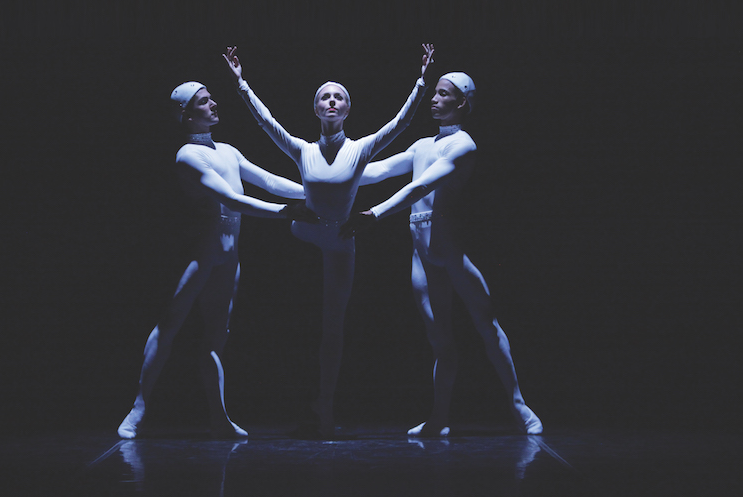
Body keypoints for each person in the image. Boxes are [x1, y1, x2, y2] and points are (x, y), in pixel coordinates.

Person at [223, 44, 434, 437]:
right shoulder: (302, 149)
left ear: (347, 109)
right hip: (303, 239)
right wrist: (241, 84)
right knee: (301, 322)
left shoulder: (361, 148)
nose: (332, 101)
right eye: (325, 97)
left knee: (333, 327)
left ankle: (326, 405)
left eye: (339, 97)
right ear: (317, 109)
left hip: (340, 242)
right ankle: (290, 402)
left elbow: (400, 124)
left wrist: (421, 83)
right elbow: (267, 124)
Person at [341, 72, 543, 436]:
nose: (434, 99)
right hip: (421, 254)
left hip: (450, 251)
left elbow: (422, 183)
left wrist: (376, 213)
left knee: (486, 325)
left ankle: (518, 404)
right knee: (440, 342)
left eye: (442, 94)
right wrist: (330, 174)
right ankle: (439, 417)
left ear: (461, 102)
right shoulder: (422, 145)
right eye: (434, 93)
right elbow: (380, 170)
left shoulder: (463, 145)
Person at [117, 81, 316, 439]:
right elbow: (234, 200)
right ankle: (139, 408)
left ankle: (218, 417)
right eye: (204, 102)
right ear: (187, 114)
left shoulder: (227, 150)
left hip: (229, 254)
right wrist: (289, 213)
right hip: (200, 251)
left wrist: (320, 191)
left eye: (211, 99)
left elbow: (268, 181)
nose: (213, 105)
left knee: (216, 337)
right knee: (170, 324)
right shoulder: (188, 156)